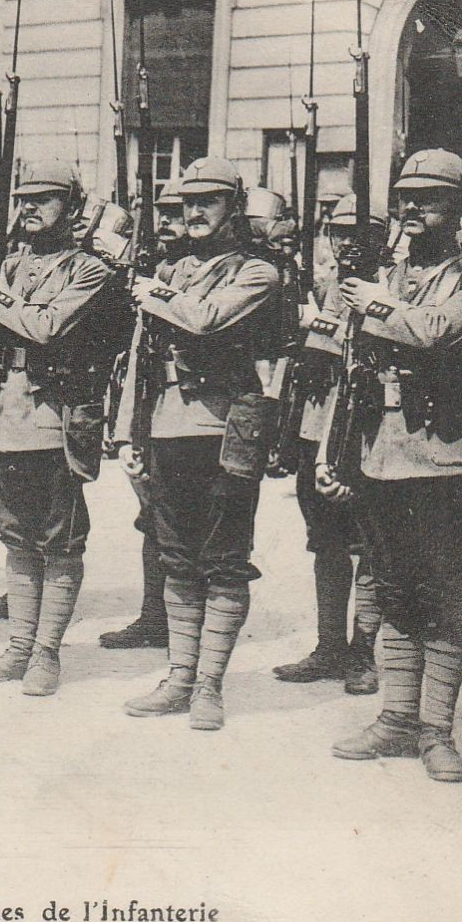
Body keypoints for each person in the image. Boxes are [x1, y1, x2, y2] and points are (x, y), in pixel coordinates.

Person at [115, 156, 282, 730]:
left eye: (208, 200)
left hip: (224, 431)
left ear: (234, 207)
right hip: (166, 425)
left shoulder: (257, 271)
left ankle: (209, 684)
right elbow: (141, 357)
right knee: (176, 559)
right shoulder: (169, 268)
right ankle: (180, 675)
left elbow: (207, 319)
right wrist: (129, 431)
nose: (194, 211)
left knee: (225, 560)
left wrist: (154, 293)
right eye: (186, 202)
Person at [0, 159, 120, 695]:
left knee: (60, 542)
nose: (30, 208)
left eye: (44, 199)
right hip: (2, 417)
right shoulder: (10, 264)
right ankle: (20, 646)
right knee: (16, 539)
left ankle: (46, 653)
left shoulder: (88, 269)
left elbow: (44, 327)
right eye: (23, 199)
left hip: (54, 421)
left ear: (72, 207)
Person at [324, 148, 462, 781]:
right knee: (395, 589)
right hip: (381, 454)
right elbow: (348, 367)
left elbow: (436, 331)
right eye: (405, 199)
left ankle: (436, 730)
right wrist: (336, 451)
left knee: (448, 596)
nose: (411, 212)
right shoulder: (390, 274)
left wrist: (376, 304)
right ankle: (397, 719)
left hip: (442, 455)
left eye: (428, 201)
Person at [271, 194, 385, 695]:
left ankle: (362, 652)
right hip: (317, 424)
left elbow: (368, 338)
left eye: (357, 233)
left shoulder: (389, 283)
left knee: (374, 545)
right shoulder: (320, 282)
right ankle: (328, 646)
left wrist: (313, 322)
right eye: (338, 232)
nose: (346, 242)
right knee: (326, 541)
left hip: (367, 427)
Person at [96, 179, 184, 647]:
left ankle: (188, 624)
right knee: (152, 515)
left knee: (184, 521)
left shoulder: (186, 274)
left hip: (188, 408)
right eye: (161, 214)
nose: (166, 223)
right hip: (143, 401)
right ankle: (156, 616)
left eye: (175, 212)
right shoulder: (146, 268)